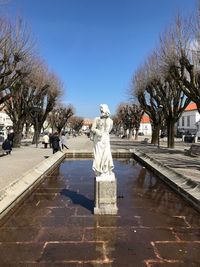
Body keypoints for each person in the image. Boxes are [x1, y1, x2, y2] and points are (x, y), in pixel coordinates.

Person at [91, 104, 114, 176]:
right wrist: (97, 131)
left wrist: (105, 134)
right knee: (99, 155)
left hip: (106, 139)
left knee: (107, 154)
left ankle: (106, 170)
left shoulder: (111, 121)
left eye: (102, 108)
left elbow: (109, 130)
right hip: (98, 140)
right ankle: (99, 171)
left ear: (106, 109)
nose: (101, 110)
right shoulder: (97, 119)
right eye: (100, 109)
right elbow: (92, 129)